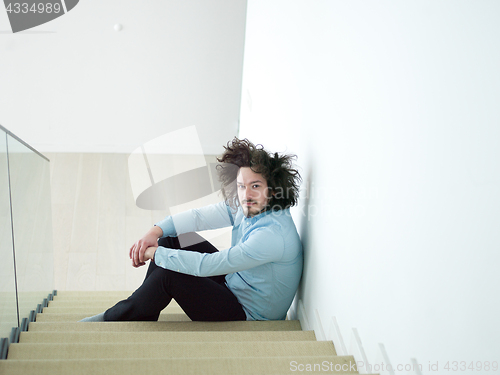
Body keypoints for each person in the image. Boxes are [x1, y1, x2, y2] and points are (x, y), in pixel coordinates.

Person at [80, 138, 302, 322]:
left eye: (255, 186)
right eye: (241, 186)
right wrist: (155, 231)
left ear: (273, 190)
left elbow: (209, 265)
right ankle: (141, 309)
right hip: (235, 282)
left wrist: (155, 253)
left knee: (169, 275)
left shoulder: (271, 237)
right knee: (172, 238)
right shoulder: (250, 205)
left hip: (247, 314)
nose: (246, 194)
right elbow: (199, 217)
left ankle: (119, 316)